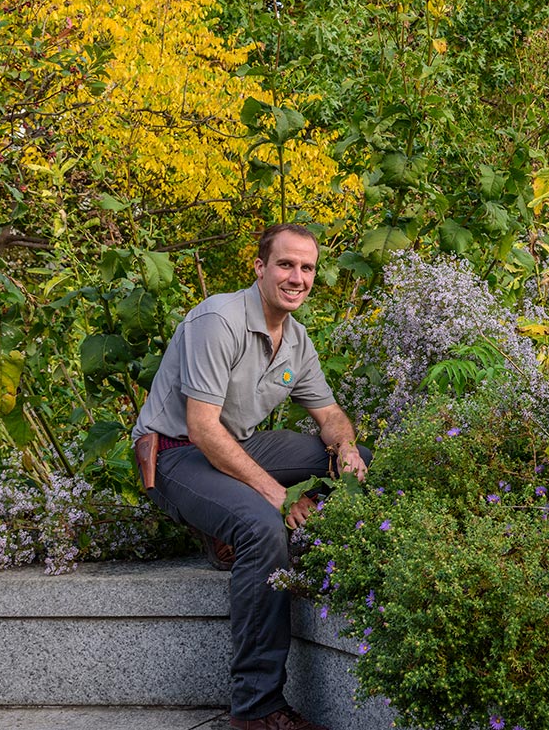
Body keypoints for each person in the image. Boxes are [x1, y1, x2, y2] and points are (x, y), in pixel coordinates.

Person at [132, 223, 368, 730]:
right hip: (177, 453)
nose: (297, 277)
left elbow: (329, 416)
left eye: (307, 268)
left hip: (234, 446)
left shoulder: (296, 340)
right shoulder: (219, 320)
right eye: (286, 264)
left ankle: (230, 531)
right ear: (260, 267)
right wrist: (280, 499)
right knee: (263, 526)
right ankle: (256, 709)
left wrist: (346, 446)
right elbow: (202, 429)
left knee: (358, 461)